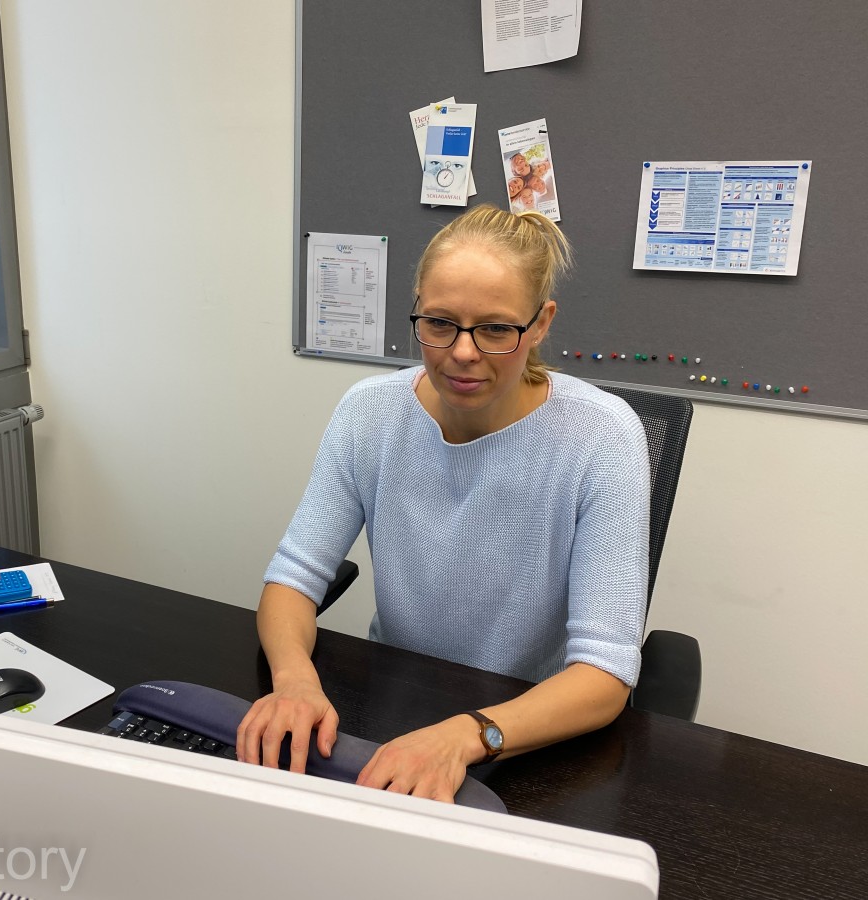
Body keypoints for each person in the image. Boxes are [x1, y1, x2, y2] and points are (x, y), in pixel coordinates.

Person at [236, 205, 650, 803]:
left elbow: (604, 674)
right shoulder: (369, 412)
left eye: (495, 329)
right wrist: (296, 682)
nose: (462, 352)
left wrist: (465, 736)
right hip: (391, 708)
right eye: (440, 322)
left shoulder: (603, 436)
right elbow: (292, 579)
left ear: (539, 325)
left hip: (529, 735)